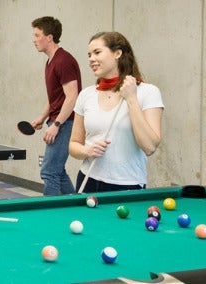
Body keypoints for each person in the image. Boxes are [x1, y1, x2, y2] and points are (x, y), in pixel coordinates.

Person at [69, 32, 164, 192]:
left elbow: (149, 147)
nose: (91, 59)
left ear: (117, 53)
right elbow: (73, 145)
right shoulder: (86, 94)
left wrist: (132, 99)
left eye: (97, 52)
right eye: (89, 55)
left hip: (128, 185)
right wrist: (87, 150)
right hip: (88, 180)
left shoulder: (147, 92)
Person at [30, 16, 82, 196]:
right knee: (57, 171)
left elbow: (72, 98)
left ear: (49, 37)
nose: (34, 39)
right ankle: (76, 207)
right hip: (59, 121)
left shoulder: (63, 61)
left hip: (66, 122)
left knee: (49, 171)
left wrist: (57, 125)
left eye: (37, 35)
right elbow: (55, 97)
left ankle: (49, 213)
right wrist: (42, 118)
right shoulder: (50, 62)